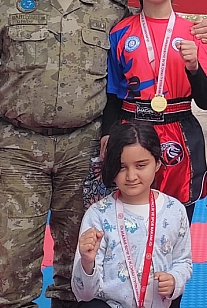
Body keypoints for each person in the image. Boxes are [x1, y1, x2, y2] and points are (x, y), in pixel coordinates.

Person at [0, 0, 207, 308]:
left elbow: (157, 26)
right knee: (13, 261)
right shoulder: (7, 1)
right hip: (19, 147)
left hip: (85, 148)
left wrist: (201, 33)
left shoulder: (110, 8)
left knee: (86, 253)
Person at [103, 0, 207, 219]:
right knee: (131, 223)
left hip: (180, 135)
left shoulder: (195, 33)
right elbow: (113, 94)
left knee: (177, 224)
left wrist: (194, 68)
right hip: (132, 132)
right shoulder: (120, 33)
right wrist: (107, 133)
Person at [73, 121, 192, 308]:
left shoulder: (174, 210)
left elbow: (183, 261)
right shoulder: (98, 215)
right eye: (121, 167)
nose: (131, 176)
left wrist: (175, 280)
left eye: (141, 165)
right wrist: (87, 263)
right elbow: (84, 295)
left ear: (157, 163)